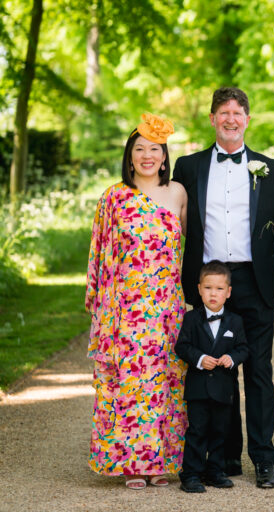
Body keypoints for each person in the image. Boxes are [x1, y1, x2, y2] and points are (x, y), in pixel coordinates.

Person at [173, 87, 274, 488]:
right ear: (211, 119)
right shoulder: (188, 168)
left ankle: (262, 458)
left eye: (238, 112)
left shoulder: (270, 168)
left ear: (248, 119)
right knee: (215, 374)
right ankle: (223, 457)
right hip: (207, 284)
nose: (230, 118)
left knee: (257, 371)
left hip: (255, 283)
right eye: (223, 112)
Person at [85, 113, 188, 490]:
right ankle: (130, 462)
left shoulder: (177, 193)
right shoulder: (113, 197)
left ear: (164, 156)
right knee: (130, 382)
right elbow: (99, 252)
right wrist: (99, 307)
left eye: (154, 149)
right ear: (130, 157)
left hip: (165, 306)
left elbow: (184, 250)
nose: (147, 156)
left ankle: (161, 460)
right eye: (140, 149)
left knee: (164, 382)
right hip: (125, 307)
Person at [175, 261, 249, 493]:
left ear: (228, 292)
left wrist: (232, 357)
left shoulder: (235, 321)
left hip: (223, 389)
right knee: (197, 431)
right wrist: (199, 359)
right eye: (208, 288)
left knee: (220, 431)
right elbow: (182, 346)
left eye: (219, 289)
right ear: (199, 289)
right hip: (198, 388)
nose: (213, 293)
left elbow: (244, 348)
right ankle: (191, 474)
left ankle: (215, 471)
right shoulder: (191, 319)